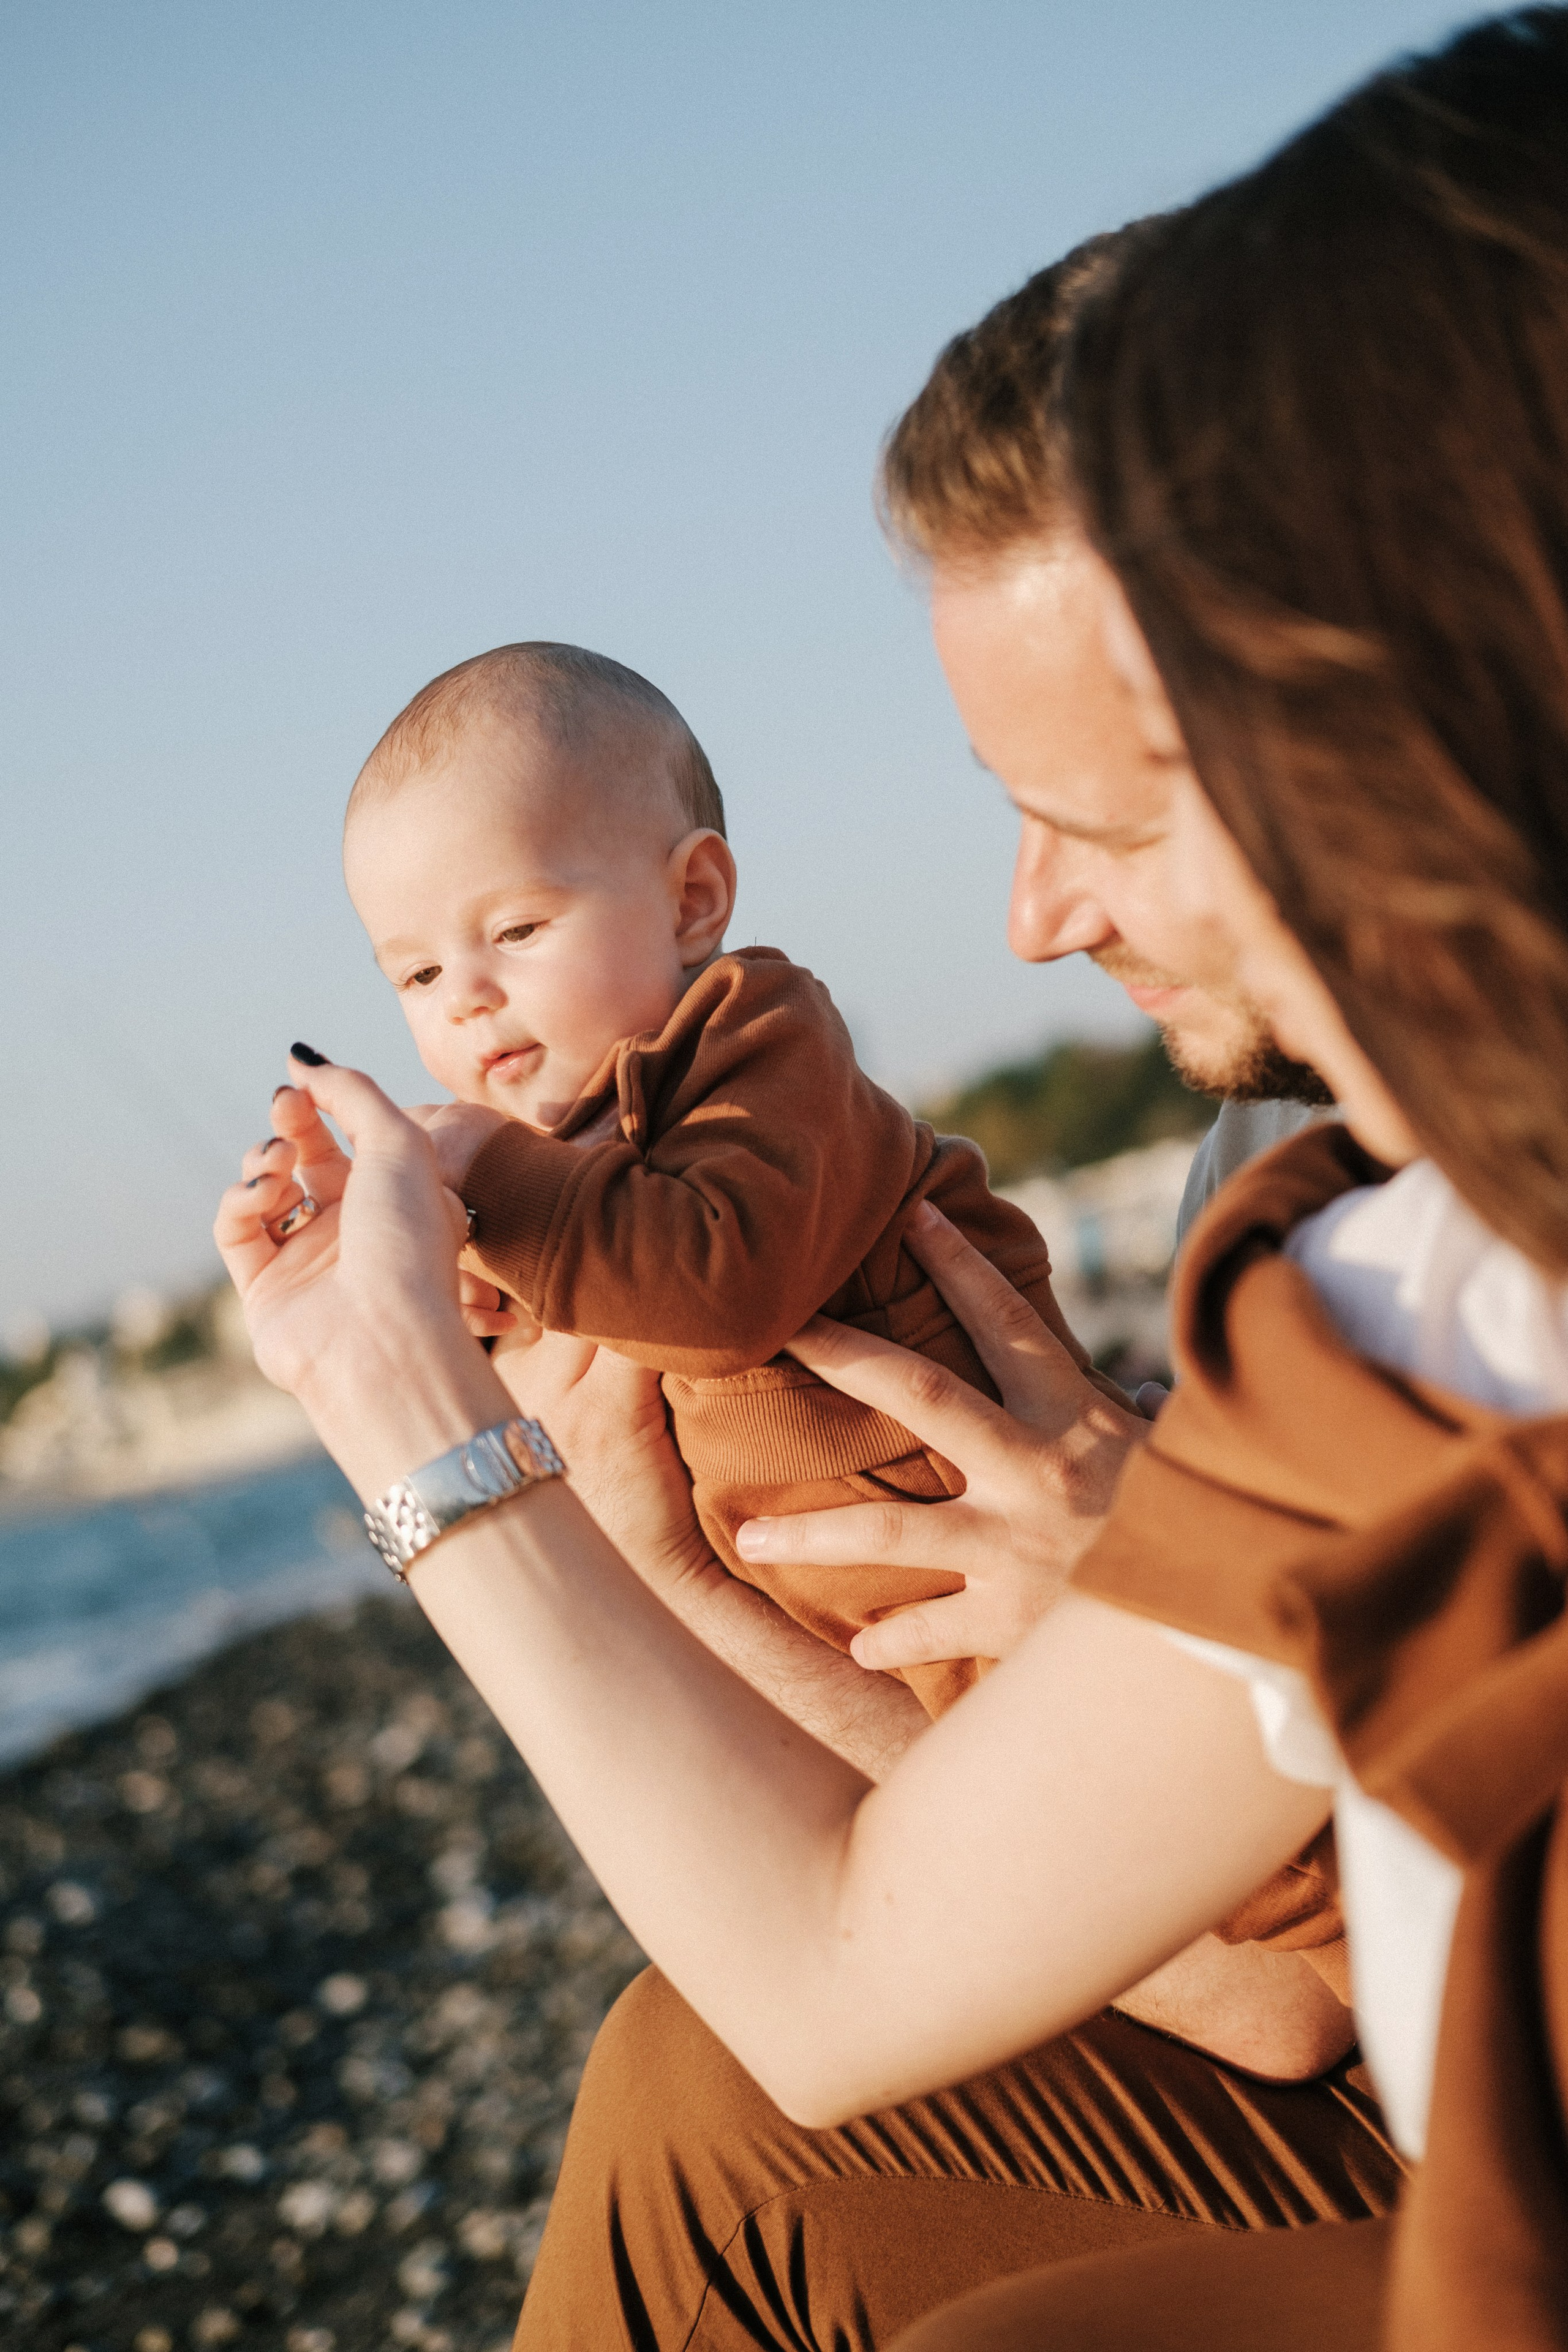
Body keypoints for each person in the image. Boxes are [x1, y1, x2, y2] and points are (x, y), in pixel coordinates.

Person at [214, 10, 1568, 2346]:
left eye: (1116, 818)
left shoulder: (1411, 1322)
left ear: (1426, 733)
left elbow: (874, 1961)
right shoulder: (1381, 1280)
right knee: (690, 2073)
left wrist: (427, 1429)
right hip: (1344, 2024)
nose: (1036, 916)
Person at [341, 639, 1137, 1717]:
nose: (466, 998)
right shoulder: (544, 1157)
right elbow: (568, 1398)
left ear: (692, 899)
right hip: (874, 1647)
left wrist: (490, 1181)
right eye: (420, 973)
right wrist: (473, 1292)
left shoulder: (752, 1039)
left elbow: (712, 1290)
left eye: (517, 930)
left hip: (1017, 1559)